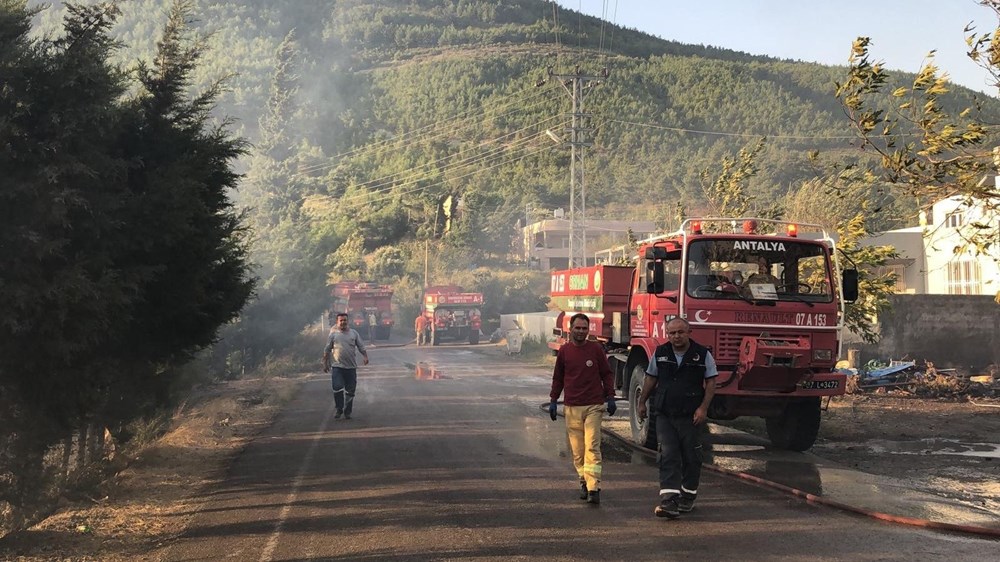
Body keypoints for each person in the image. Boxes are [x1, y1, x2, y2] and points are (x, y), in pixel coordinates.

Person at [637, 317, 718, 519]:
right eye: (672, 333)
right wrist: (642, 402)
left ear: (689, 332)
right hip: (665, 413)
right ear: (668, 334)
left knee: (691, 457)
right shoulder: (661, 353)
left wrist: (703, 408)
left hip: (691, 416)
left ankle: (688, 496)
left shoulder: (702, 354)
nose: (676, 336)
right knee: (668, 454)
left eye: (680, 332)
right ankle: (669, 501)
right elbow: (650, 378)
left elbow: (711, 382)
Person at [548, 313, 617, 506]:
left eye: (584, 328)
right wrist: (553, 400)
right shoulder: (565, 352)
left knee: (592, 446)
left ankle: (594, 488)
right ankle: (583, 481)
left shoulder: (595, 350)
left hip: (594, 406)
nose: (581, 332)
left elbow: (606, 374)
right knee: (578, 452)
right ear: (571, 329)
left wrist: (610, 396)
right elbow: (558, 378)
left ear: (589, 330)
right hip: (572, 407)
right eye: (577, 328)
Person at [322, 312, 369, 420]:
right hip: (337, 367)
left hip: (351, 368)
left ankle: (347, 411)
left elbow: (361, 346)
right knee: (337, 388)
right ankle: (339, 408)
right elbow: (327, 350)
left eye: (345, 320)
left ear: (348, 321)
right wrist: (325, 363)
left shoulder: (354, 333)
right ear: (337, 322)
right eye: (341, 320)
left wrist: (365, 356)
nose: (343, 322)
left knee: (350, 391)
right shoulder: (333, 335)